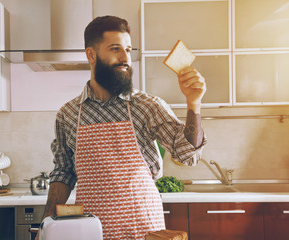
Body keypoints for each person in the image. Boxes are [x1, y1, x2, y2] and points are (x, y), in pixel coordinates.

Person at [36, 15, 207, 240]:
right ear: (91, 54)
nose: (125, 57)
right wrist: (45, 226)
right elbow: (63, 173)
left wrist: (194, 103)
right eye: (115, 49)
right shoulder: (68, 114)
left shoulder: (147, 106)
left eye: (128, 49)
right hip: (90, 230)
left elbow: (188, 155)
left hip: (144, 229)